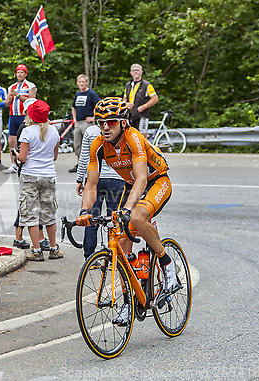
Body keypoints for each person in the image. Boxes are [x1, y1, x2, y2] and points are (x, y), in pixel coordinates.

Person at [76, 97, 178, 325]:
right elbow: (91, 184)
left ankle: (166, 264)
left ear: (123, 123)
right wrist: (85, 211)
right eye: (101, 122)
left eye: (111, 122)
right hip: (131, 187)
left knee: (136, 216)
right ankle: (128, 303)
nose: (105, 127)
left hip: (156, 181)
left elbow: (142, 178)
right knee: (121, 242)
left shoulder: (134, 138)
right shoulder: (98, 145)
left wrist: (127, 209)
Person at [16, 99, 62, 261]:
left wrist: (16, 155)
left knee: (31, 213)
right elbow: (54, 156)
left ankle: (37, 250)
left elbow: (23, 157)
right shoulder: (54, 131)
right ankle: (53, 247)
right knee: (49, 212)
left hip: (30, 175)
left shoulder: (27, 132)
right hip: (48, 174)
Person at [76, 124, 125, 259]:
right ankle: (114, 257)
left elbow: (84, 157)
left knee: (91, 218)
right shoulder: (121, 129)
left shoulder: (91, 131)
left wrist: (80, 179)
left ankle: (90, 257)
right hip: (117, 177)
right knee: (115, 220)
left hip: (94, 178)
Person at [3, 64, 36, 174]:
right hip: (13, 116)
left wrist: (17, 95)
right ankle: (13, 164)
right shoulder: (11, 86)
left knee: (25, 140)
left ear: (26, 74)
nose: (20, 74)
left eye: (22, 72)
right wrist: (10, 97)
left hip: (25, 116)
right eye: (18, 72)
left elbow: (32, 100)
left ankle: (26, 162)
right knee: (12, 140)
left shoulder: (30, 86)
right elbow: (7, 103)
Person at [69, 74, 100, 173]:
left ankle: (90, 164)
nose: (81, 84)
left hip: (88, 123)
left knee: (89, 145)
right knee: (78, 144)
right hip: (78, 122)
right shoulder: (77, 94)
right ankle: (79, 164)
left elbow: (99, 106)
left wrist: (94, 118)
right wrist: (74, 118)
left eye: (83, 82)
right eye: (80, 82)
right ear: (77, 83)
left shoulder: (91, 94)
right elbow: (73, 107)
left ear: (87, 83)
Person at [123, 63, 158, 139]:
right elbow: (124, 98)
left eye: (137, 70)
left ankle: (144, 150)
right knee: (131, 135)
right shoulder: (128, 85)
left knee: (142, 136)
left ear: (141, 72)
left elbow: (155, 98)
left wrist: (144, 106)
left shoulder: (147, 85)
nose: (135, 72)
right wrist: (126, 104)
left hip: (142, 114)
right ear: (131, 73)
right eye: (134, 70)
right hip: (131, 114)